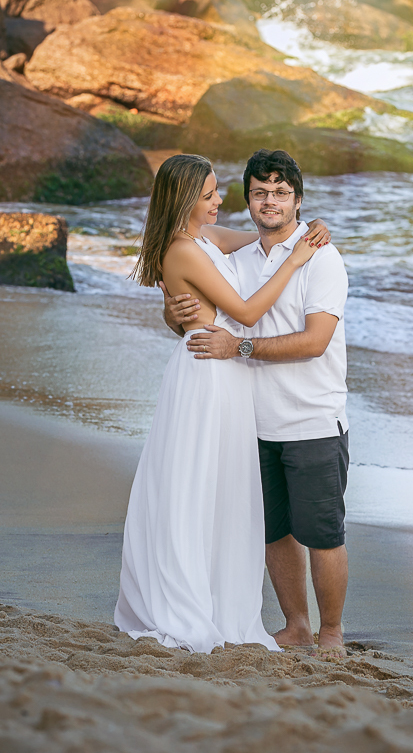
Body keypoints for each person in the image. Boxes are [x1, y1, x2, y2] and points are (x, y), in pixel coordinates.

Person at [114, 153, 327, 654]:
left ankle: (216, 599)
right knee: (195, 487)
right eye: (210, 194)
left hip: (226, 371)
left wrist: (305, 228)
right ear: (186, 199)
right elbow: (247, 314)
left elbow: (259, 238)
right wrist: (295, 261)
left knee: (224, 491)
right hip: (207, 373)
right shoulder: (182, 250)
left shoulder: (203, 238)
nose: (219, 200)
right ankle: (186, 601)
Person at [164, 149, 349, 657]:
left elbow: (315, 341)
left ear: (298, 200)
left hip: (311, 418)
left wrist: (240, 347)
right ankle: (297, 626)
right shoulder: (235, 257)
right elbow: (204, 306)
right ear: (248, 199)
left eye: (281, 192)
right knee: (273, 532)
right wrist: (173, 312)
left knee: (323, 534)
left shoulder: (321, 258)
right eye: (260, 192)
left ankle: (332, 633)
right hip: (249, 420)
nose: (270, 201)